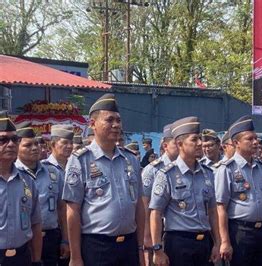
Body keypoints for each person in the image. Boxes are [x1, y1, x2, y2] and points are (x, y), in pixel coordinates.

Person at [62, 93, 145, 266]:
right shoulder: (80, 160)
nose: (116, 125)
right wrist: (75, 256)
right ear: (93, 124)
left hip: (128, 245)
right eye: (109, 120)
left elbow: (138, 206)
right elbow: (72, 211)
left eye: (118, 120)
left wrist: (140, 248)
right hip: (97, 246)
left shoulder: (130, 159)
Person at [149, 116, 220, 266]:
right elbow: (155, 212)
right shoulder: (166, 174)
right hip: (179, 243)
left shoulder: (207, 173)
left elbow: (213, 211)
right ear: (180, 143)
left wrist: (217, 243)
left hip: (204, 242)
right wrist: (157, 249)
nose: (200, 143)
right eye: (194, 139)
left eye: (200, 139)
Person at [215, 115, 262, 265]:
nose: (255, 142)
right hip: (240, 232)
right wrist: (224, 241)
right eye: (249, 139)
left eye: (255, 138)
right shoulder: (227, 169)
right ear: (236, 143)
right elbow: (220, 208)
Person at [15, 124, 69, 266]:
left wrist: (65, 239)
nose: (34, 148)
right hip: (24, 239)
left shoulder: (53, 173)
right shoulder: (13, 174)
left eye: (36, 144)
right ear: (17, 147)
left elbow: (62, 208)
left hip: (51, 237)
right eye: (28, 145)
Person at [0, 112, 42, 266]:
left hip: (22, 256)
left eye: (14, 139)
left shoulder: (27, 181)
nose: (10, 144)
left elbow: (36, 223)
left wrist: (37, 260)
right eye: (3, 140)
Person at [141, 124, 178, 258]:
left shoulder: (187, 168)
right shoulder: (152, 170)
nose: (180, 145)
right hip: (156, 226)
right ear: (165, 146)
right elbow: (144, 203)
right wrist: (146, 234)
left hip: (177, 229)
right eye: (176, 143)